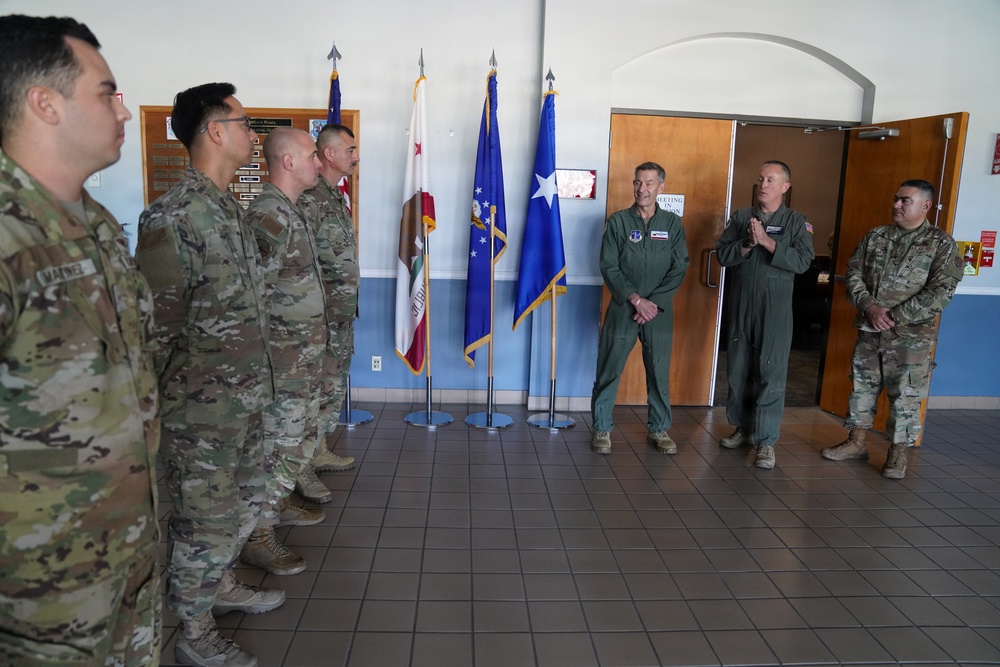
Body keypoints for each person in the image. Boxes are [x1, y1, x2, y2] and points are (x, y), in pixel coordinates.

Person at [0, 15, 160, 666]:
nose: (123, 109)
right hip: (38, 600)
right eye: (106, 91)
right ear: (45, 103)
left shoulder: (94, 225)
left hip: (123, 563)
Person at [136, 82, 280, 667]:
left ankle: (216, 585)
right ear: (215, 131)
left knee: (240, 511)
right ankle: (194, 634)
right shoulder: (173, 219)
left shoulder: (229, 211)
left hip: (245, 402)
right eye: (246, 123)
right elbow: (156, 333)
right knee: (202, 523)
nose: (254, 134)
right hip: (200, 415)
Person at [821, 179, 963, 479]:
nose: (896, 205)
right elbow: (854, 275)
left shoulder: (941, 244)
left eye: (905, 200)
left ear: (925, 206)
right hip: (870, 330)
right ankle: (856, 442)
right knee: (862, 387)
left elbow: (941, 291)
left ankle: (898, 453)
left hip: (911, 338)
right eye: (896, 199)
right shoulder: (876, 236)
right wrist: (870, 307)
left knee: (906, 394)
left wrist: (895, 316)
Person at [241, 128, 328, 576]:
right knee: (279, 446)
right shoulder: (266, 217)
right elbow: (251, 295)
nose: (319, 163)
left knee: (295, 441)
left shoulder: (290, 211)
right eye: (313, 155)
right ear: (289, 161)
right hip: (283, 359)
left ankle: (276, 507)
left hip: (303, 355)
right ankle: (257, 537)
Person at [715, 161, 815, 469]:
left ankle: (766, 441)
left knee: (770, 374)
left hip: (774, 312)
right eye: (760, 178)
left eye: (771, 180)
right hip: (742, 306)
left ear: (785, 187)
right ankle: (743, 428)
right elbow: (722, 255)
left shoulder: (798, 222)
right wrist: (747, 242)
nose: (763, 184)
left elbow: (802, 262)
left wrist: (767, 242)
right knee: (739, 370)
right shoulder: (742, 217)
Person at [591, 161, 689, 455]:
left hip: (658, 312)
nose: (642, 189)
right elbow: (609, 265)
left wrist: (653, 303)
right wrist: (636, 299)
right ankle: (601, 429)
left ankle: (659, 430)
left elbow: (679, 267)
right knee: (609, 368)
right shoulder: (619, 221)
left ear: (661, 187)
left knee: (658, 371)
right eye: (637, 182)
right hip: (624, 307)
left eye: (648, 183)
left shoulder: (672, 224)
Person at [298, 123, 360, 483]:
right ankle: (300, 468)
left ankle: (318, 451)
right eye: (349, 150)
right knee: (313, 390)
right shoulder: (310, 199)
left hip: (339, 313)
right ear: (329, 154)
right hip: (318, 317)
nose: (355, 156)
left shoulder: (335, 196)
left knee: (332, 387)